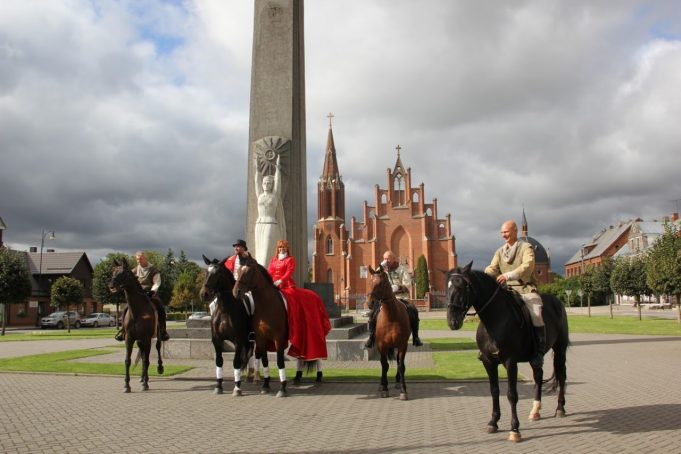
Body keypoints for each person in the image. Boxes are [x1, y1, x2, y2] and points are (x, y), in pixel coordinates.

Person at [267, 239, 331, 383]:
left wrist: (280, 281)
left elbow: (289, 273)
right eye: (279, 248)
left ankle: (294, 317)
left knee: (291, 299)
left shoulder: (290, 260)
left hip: (287, 287)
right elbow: (269, 273)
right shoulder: (272, 261)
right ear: (277, 249)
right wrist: (270, 282)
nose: (281, 249)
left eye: (284, 247)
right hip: (274, 287)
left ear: (287, 249)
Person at [484, 220, 544, 367]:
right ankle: (487, 348)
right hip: (506, 291)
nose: (504, 235)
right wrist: (482, 276)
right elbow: (492, 268)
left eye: (506, 232)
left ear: (515, 231)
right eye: (502, 232)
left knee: (536, 313)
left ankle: (538, 351)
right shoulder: (499, 252)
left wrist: (508, 275)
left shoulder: (526, 247)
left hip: (524, 288)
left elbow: (528, 265)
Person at [364, 250, 423, 348]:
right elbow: (375, 279)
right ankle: (371, 338)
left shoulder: (401, 269)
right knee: (373, 315)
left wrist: (398, 287)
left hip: (400, 297)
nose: (385, 260)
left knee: (413, 310)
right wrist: (380, 268)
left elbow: (408, 285)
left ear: (394, 259)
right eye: (384, 258)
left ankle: (416, 337)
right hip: (385, 299)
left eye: (387, 258)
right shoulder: (382, 269)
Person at [115, 251, 170, 342]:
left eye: (140, 259)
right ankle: (123, 331)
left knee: (160, 308)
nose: (138, 261)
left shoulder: (153, 269)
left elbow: (157, 282)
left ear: (145, 258)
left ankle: (163, 331)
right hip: (138, 295)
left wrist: (152, 291)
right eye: (137, 259)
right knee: (125, 309)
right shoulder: (135, 270)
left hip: (150, 294)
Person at [254, 154, 286, 266]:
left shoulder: (275, 196)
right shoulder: (260, 195)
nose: (266, 185)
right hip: (259, 225)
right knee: (259, 253)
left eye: (269, 183)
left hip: (271, 225)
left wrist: (277, 168)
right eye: (265, 183)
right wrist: (257, 168)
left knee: (267, 252)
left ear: (272, 185)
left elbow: (278, 183)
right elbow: (256, 182)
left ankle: (266, 274)